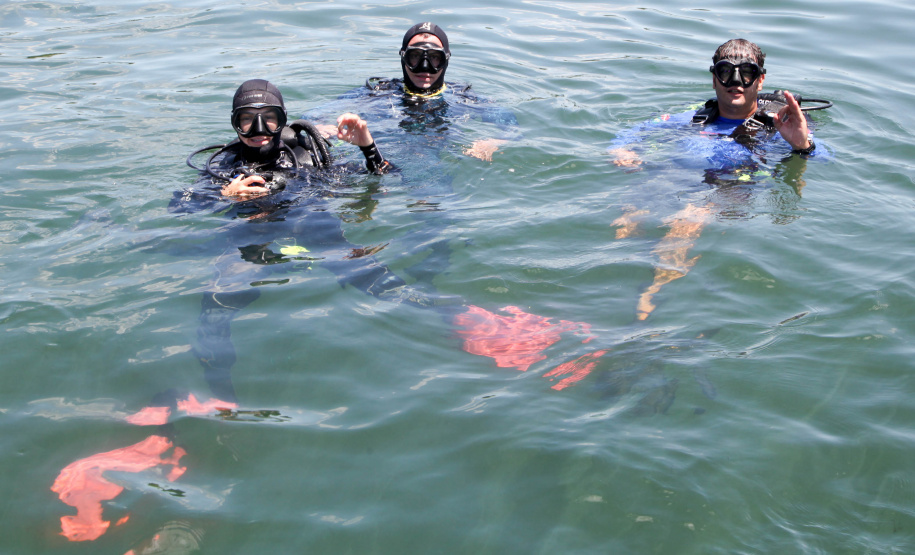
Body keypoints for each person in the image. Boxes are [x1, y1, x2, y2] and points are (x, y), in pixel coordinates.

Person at [606, 38, 830, 320]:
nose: (735, 81)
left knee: (688, 220)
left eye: (746, 73)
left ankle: (651, 295)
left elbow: (825, 160)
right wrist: (622, 148)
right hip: (675, 176)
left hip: (734, 184)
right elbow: (636, 130)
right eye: (726, 72)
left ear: (759, 81)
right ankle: (612, 279)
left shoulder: (781, 126)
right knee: (628, 218)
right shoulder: (694, 117)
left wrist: (801, 146)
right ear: (714, 79)